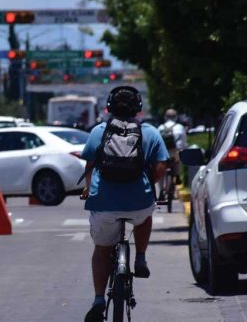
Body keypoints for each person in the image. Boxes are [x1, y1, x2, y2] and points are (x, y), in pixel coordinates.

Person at [81, 86, 169, 322]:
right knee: (145, 216)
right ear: (138, 108)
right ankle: (140, 257)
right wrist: (150, 184)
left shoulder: (99, 131)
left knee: (101, 249)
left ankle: (99, 299)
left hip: (103, 203)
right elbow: (162, 166)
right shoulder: (149, 132)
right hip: (139, 201)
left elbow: (89, 167)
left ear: (109, 107)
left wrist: (88, 189)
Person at [157, 108, 188, 193]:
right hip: (175, 153)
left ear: (165, 117)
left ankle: (161, 190)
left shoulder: (160, 128)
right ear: (176, 117)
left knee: (161, 170)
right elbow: (184, 143)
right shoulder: (180, 127)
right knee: (178, 161)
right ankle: (177, 176)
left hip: (163, 154)